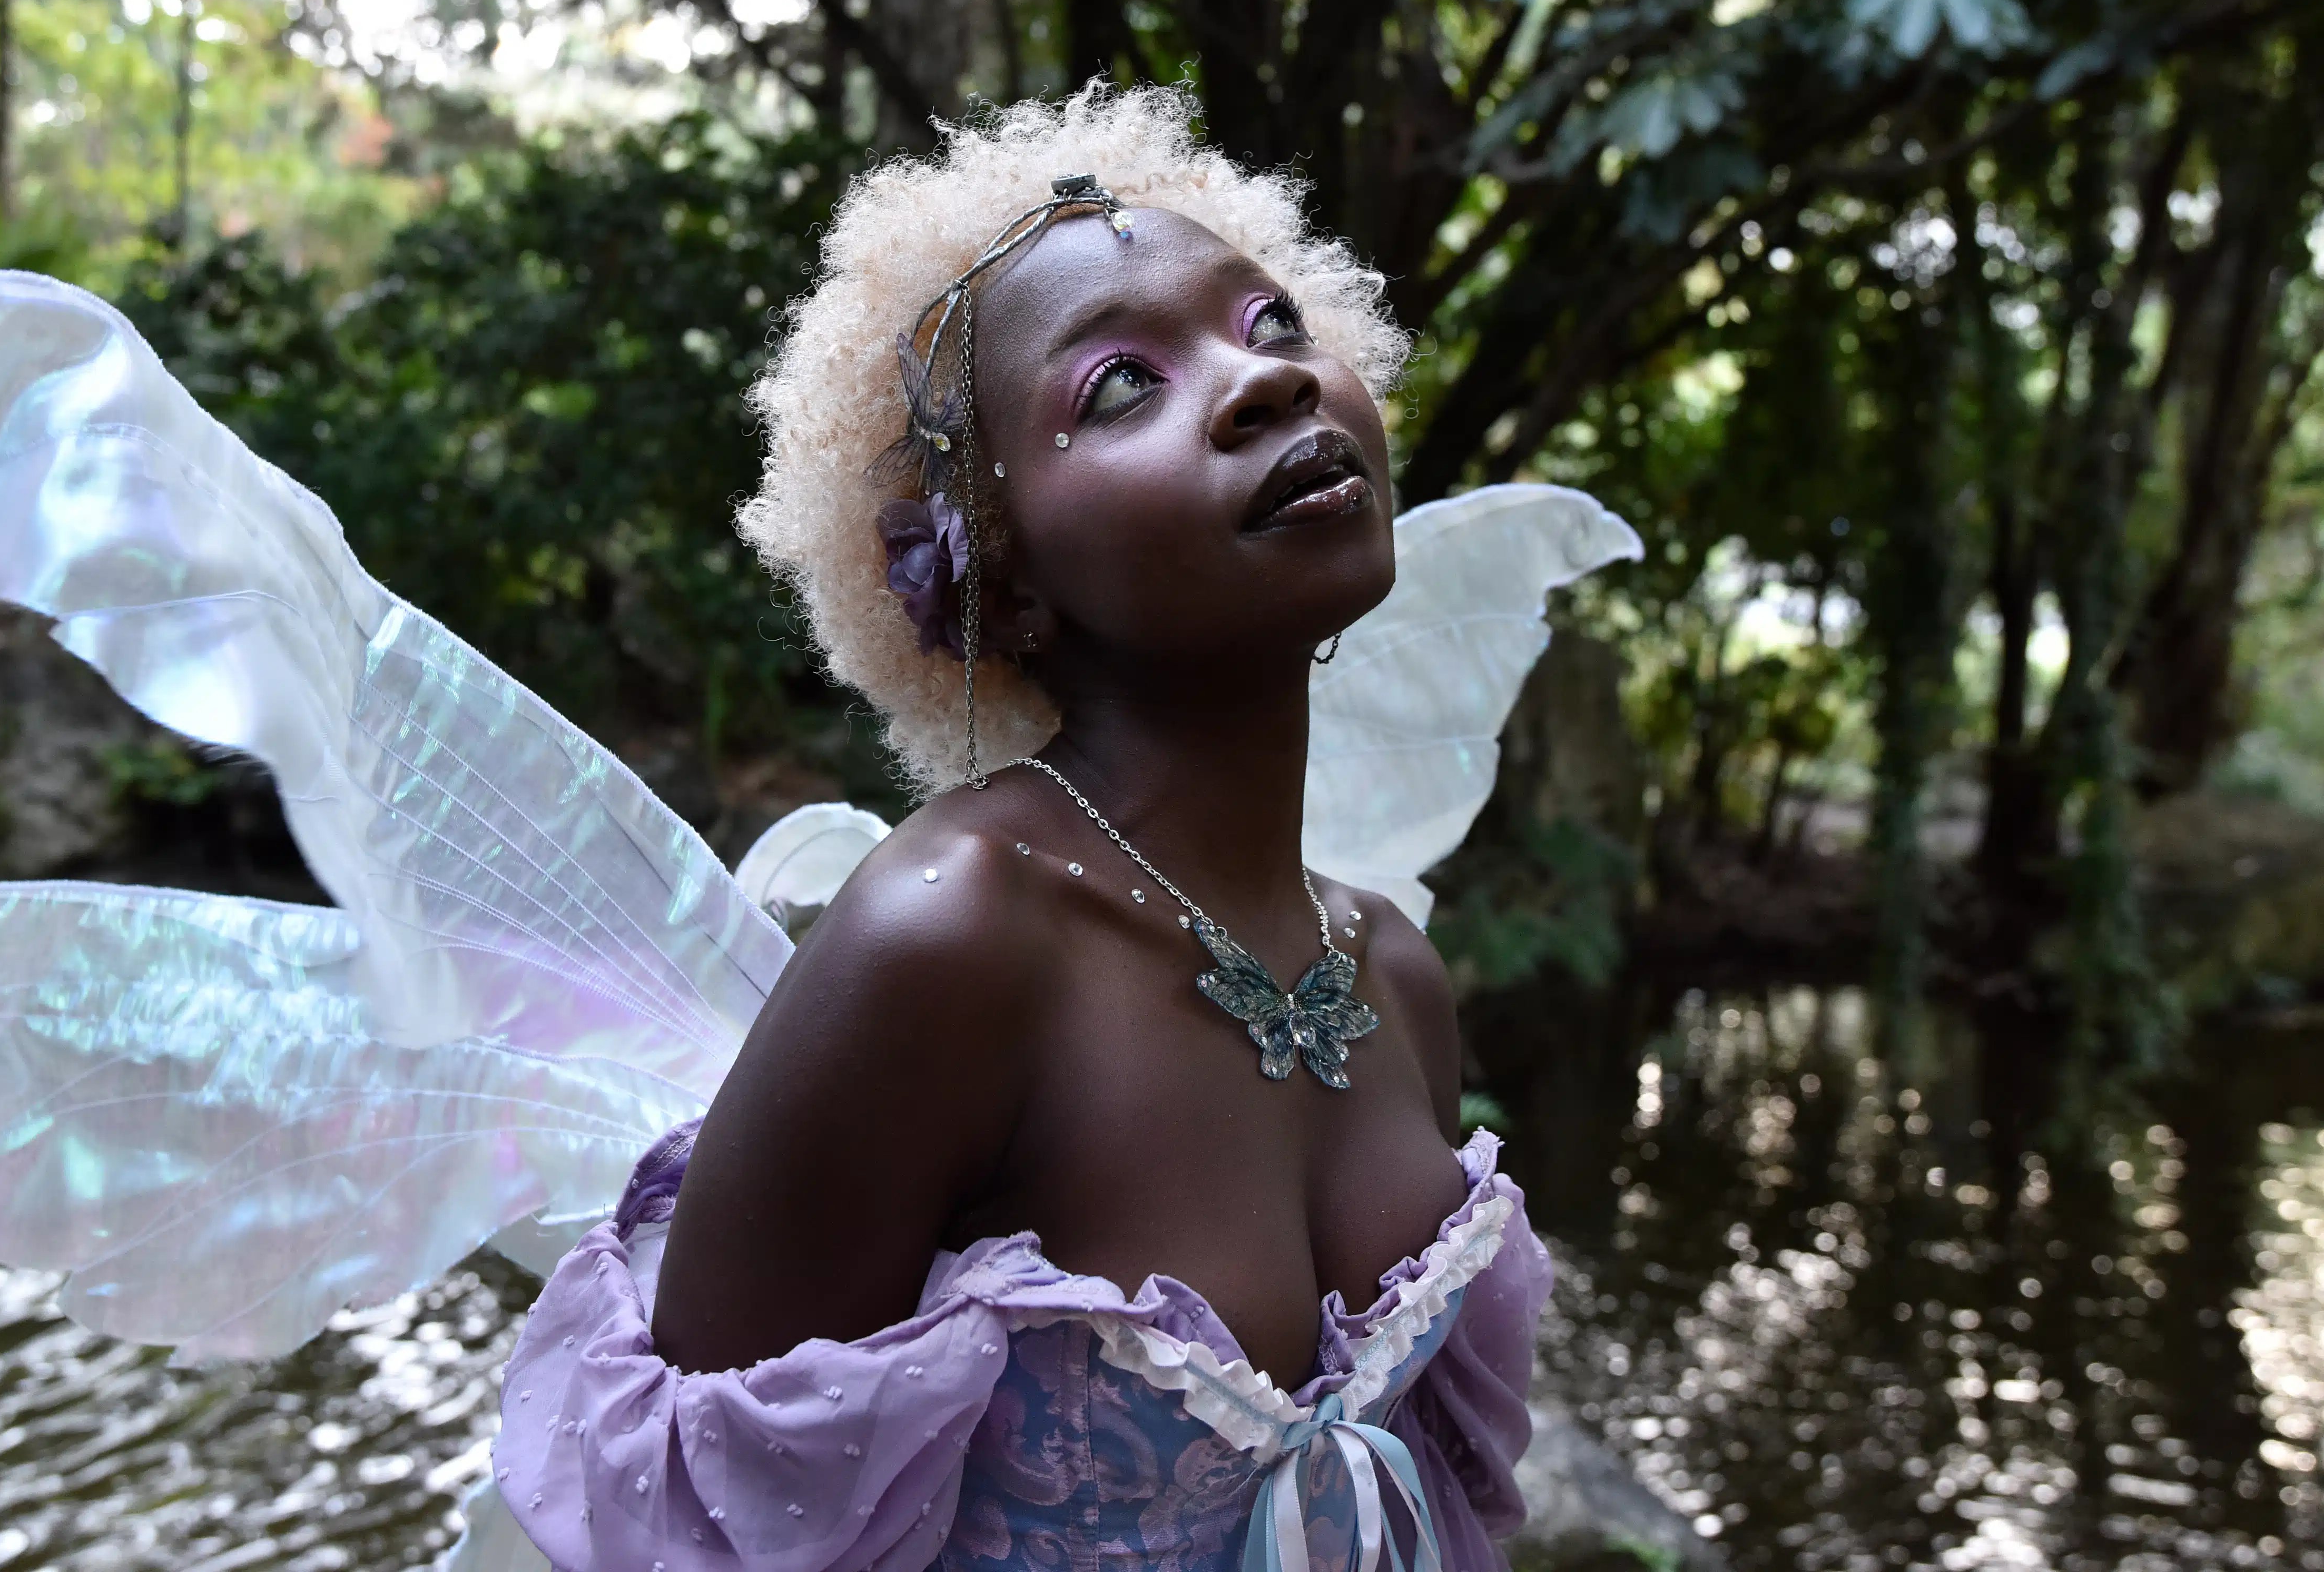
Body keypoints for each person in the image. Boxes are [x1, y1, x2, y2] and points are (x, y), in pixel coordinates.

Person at [493, 86, 1555, 1572]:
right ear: (1005, 576)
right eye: (1121, 387)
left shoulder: (1392, 973)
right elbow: (697, 1534)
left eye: (1272, 326)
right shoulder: (948, 940)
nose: (1261, 386)